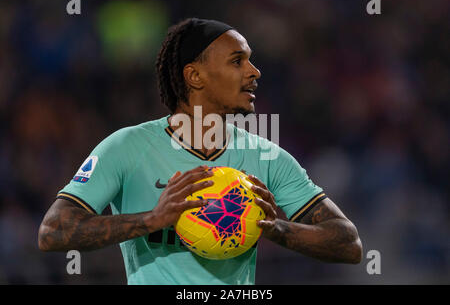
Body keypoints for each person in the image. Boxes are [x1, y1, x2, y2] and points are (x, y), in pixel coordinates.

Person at [38, 18, 362, 284]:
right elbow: (53, 231)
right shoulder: (128, 147)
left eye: (249, 59)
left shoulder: (267, 156)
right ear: (194, 75)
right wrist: (152, 219)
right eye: (238, 61)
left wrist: (276, 228)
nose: (254, 71)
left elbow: (349, 243)